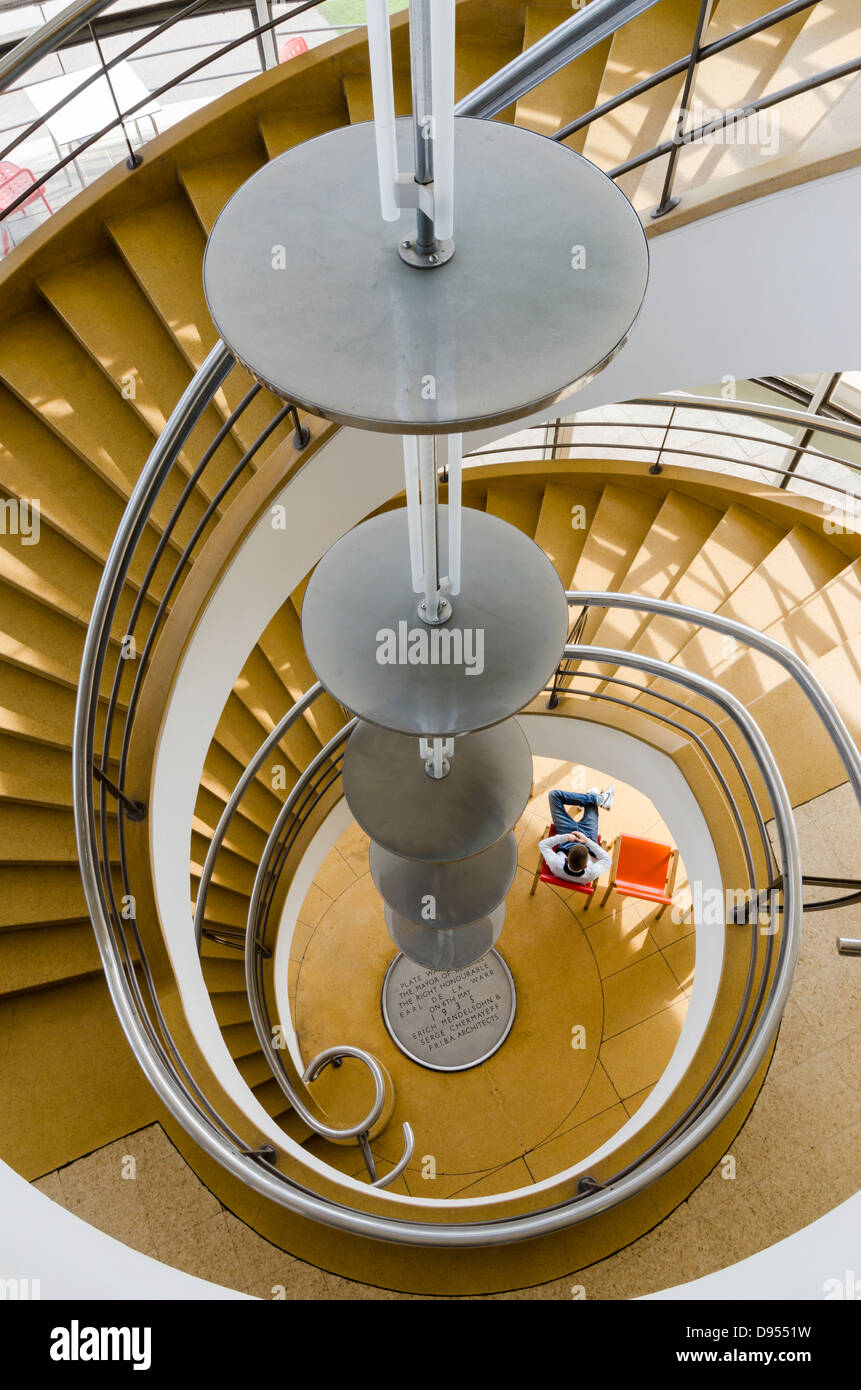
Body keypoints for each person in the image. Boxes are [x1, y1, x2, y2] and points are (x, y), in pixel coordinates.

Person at [539, 784, 615, 885]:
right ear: (585, 866)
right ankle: (594, 798)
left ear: (566, 858)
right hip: (587, 838)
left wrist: (566, 837)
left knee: (554, 795)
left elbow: (542, 844)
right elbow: (608, 860)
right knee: (592, 798)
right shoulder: (591, 873)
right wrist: (587, 841)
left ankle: (596, 798)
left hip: (568, 838)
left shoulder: (557, 864)